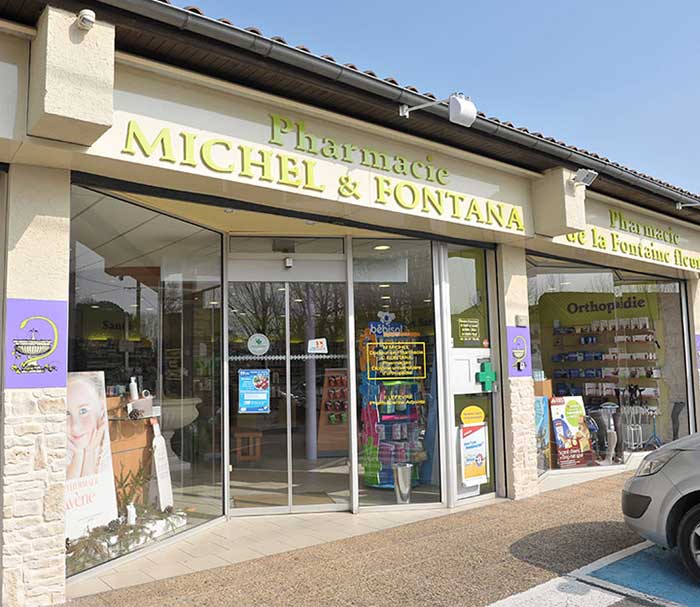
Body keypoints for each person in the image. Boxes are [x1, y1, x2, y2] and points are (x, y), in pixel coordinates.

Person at [66, 374, 107, 480]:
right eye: (67, 413)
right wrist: (79, 455)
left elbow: (90, 491)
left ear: (101, 410)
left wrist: (89, 452)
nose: (75, 427)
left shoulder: (105, 450)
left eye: (83, 411)